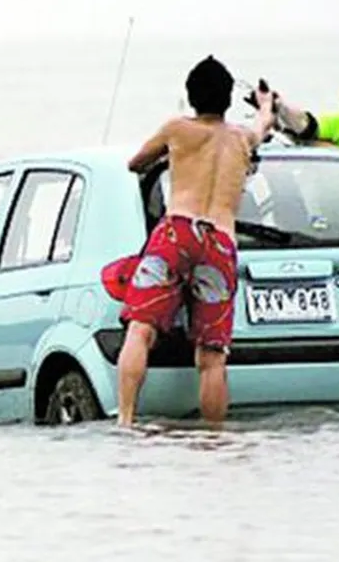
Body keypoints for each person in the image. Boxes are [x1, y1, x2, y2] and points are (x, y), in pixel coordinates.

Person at [108, 55, 275, 428]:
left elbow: (135, 163)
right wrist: (264, 104)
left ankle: (126, 421)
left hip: (177, 232)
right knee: (212, 354)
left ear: (190, 95)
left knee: (140, 329)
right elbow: (263, 125)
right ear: (228, 99)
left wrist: (170, 155)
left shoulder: (177, 129)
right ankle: (213, 435)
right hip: (218, 241)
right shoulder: (242, 138)